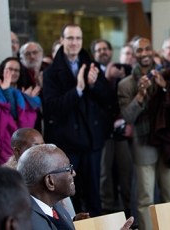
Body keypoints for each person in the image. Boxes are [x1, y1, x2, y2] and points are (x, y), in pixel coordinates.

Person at [43, 24, 114, 216]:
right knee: (69, 195)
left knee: (93, 194)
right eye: (70, 38)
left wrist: (92, 85)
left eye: (78, 38)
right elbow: (51, 108)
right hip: (67, 143)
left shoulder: (92, 65)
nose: (74, 42)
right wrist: (78, 91)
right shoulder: (50, 72)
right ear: (62, 40)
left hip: (92, 140)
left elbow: (108, 98)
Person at [117, 37, 170, 230]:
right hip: (143, 141)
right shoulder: (125, 84)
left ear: (152, 51)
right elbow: (128, 117)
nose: (144, 53)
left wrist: (164, 87)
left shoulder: (167, 74)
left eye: (147, 49)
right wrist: (140, 96)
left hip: (169, 141)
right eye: (139, 50)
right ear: (133, 54)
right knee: (145, 197)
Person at [16, 144, 135, 230]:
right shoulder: (31, 223)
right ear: (50, 181)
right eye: (68, 169)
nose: (74, 173)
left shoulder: (53, 205)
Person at [90, 38, 134, 217]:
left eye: (105, 49)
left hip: (121, 132)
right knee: (104, 174)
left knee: (126, 171)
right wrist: (108, 78)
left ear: (110, 51)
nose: (103, 52)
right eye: (99, 50)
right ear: (94, 54)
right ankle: (106, 210)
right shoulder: (92, 73)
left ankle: (129, 210)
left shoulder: (124, 69)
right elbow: (100, 99)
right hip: (102, 132)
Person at [0, 57, 41, 165]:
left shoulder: (23, 93)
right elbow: (10, 112)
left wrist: (29, 99)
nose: (13, 72)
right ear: (2, 71)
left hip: (20, 144)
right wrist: (6, 91)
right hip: (2, 145)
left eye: (16, 70)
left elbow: (23, 120)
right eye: (10, 69)